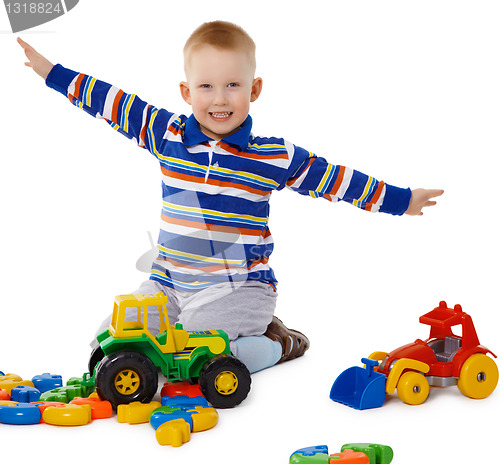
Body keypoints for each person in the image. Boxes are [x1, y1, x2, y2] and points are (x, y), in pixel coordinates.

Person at [17, 21, 443, 374]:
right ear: (187, 93)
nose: (219, 99)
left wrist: (401, 199)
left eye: (232, 85)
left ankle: (278, 343)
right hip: (169, 283)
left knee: (198, 349)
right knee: (109, 336)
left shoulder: (271, 156)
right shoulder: (167, 136)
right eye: (206, 86)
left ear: (254, 89)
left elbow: (335, 179)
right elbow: (113, 103)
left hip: (239, 289)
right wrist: (52, 73)